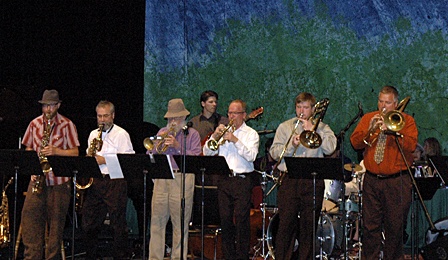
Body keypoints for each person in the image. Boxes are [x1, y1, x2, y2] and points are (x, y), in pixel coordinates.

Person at [350, 85, 417, 260]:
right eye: (380, 101)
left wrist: (396, 130)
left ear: (395, 104)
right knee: (370, 227)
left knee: (395, 228)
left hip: (397, 181)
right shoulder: (368, 118)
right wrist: (369, 129)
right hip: (372, 180)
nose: (383, 106)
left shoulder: (406, 121)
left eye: (387, 102)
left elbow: (410, 147)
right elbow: (355, 143)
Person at [269, 92, 337, 260]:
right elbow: (274, 152)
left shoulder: (323, 128)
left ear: (313, 109)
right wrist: (291, 145)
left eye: (305, 107)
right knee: (286, 224)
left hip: (312, 181)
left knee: (309, 227)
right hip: (289, 179)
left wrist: (313, 132)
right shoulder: (285, 127)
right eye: (299, 107)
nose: (301, 111)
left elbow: (330, 148)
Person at [21, 89, 80, 259]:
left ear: (58, 105)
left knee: (55, 228)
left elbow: (75, 152)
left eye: (51, 105)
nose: (48, 109)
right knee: (30, 220)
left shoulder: (67, 124)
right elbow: (29, 148)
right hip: (38, 179)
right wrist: (31, 167)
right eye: (45, 106)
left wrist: (56, 151)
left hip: (59, 181)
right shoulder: (34, 124)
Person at [203, 99, 260, 259]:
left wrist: (235, 140)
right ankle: (228, 256)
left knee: (242, 221)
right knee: (225, 220)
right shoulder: (222, 131)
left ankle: (242, 256)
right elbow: (207, 152)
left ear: (243, 114)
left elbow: (251, 156)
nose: (232, 116)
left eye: (235, 113)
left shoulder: (250, 134)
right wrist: (215, 136)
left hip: (242, 180)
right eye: (229, 113)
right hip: (224, 180)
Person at [148, 98, 201, 260]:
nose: (173, 122)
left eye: (176, 118)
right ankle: (155, 257)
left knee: (180, 224)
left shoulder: (192, 134)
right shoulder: (161, 132)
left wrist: (178, 146)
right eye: (171, 118)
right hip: (162, 178)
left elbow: (196, 157)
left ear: (183, 118)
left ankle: (178, 257)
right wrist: (157, 146)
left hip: (182, 178)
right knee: (157, 222)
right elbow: (150, 156)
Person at [81, 100, 135, 259]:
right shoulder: (92, 134)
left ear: (113, 116)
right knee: (89, 223)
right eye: (99, 116)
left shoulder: (121, 134)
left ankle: (120, 256)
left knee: (117, 224)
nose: (102, 120)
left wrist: (104, 160)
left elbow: (128, 161)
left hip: (115, 181)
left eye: (105, 116)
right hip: (96, 181)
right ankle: (92, 255)